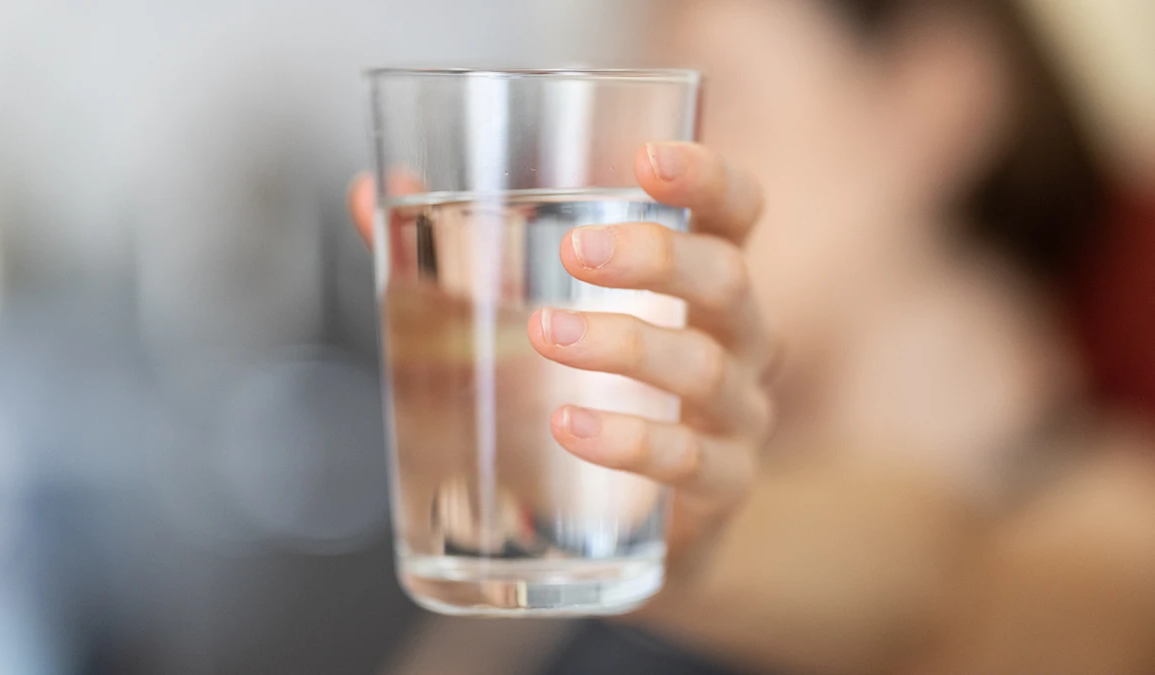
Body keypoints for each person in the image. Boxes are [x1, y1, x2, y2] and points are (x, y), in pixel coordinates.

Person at [352, 1, 1155, 673]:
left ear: (935, 92)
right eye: (625, 114)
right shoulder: (582, 508)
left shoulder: (1109, 525)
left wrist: (671, 539)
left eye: (717, 96)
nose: (626, 168)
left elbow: (943, 584)